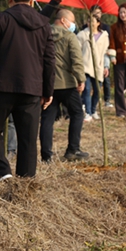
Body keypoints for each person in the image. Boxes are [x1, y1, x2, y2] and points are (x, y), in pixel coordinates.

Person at [0, 0, 55, 181]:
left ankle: (3, 172)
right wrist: (48, 91)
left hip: (2, 86)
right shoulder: (43, 24)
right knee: (28, 139)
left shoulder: (1, 19)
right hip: (32, 88)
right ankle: (26, 181)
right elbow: (49, 60)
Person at [39, 9, 88, 161]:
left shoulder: (43, 34)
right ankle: (73, 149)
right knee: (77, 113)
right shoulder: (69, 37)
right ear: (63, 20)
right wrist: (81, 79)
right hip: (67, 83)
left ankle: (46, 155)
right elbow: (76, 60)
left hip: (48, 84)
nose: (73, 25)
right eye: (72, 21)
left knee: (47, 119)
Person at [79, 15, 109, 121]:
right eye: (88, 21)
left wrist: (106, 66)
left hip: (98, 67)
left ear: (98, 23)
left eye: (92, 21)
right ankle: (88, 113)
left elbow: (105, 53)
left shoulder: (104, 36)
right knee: (86, 90)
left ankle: (93, 110)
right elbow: (77, 50)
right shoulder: (82, 34)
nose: (90, 23)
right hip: (85, 66)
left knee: (97, 90)